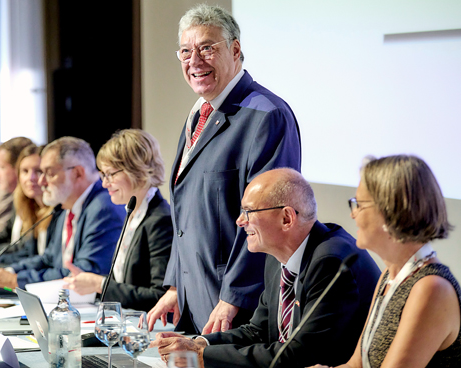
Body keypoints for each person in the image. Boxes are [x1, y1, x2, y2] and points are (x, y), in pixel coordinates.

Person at [147, 4, 302, 335]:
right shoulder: (198, 114)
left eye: (207, 48)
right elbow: (185, 213)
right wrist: (175, 285)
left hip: (237, 311)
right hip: (194, 300)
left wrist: (234, 297)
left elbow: (269, 219)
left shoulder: (267, 116)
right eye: (186, 52)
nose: (195, 61)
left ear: (235, 50)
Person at [151, 168, 381, 368]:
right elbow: (257, 330)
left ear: (286, 218)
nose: (240, 221)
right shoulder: (276, 257)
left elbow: (300, 354)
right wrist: (199, 343)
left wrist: (203, 357)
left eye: (248, 211)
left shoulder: (330, 262)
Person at [310, 155, 460, 368]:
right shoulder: (389, 277)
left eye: (359, 204)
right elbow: (356, 365)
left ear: (391, 210)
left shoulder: (431, 288)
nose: (353, 215)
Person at [0, 137, 125, 289]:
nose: (41, 181)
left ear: (78, 173)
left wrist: (17, 279)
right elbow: (48, 258)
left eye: (49, 173)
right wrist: (7, 271)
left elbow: (83, 271)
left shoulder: (103, 208)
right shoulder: (66, 205)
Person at [63, 129, 173, 311]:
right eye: (103, 175)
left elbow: (159, 298)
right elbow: (125, 284)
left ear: (136, 169)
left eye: (110, 174)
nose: (105, 183)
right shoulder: (133, 213)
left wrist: (100, 284)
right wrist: (90, 284)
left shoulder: (160, 220)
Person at [0, 144, 52, 266]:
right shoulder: (27, 204)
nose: (31, 177)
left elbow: (41, 259)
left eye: (38, 171)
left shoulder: (57, 209)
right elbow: (21, 250)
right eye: (25, 171)